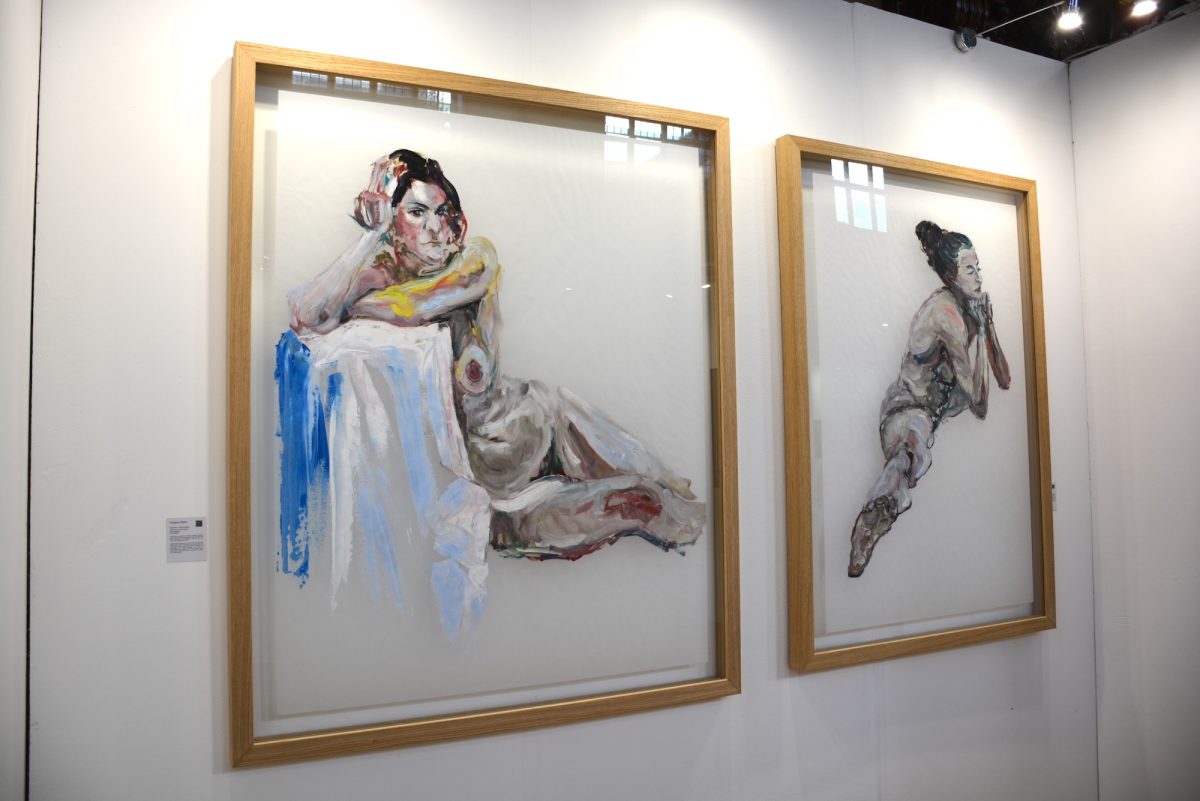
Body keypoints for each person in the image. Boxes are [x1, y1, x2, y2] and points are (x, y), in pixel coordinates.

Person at [287, 148, 705, 561]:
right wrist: (368, 236)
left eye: (442, 212)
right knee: (638, 504)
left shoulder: (474, 259)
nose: (434, 227)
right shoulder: (380, 267)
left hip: (542, 421)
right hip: (489, 466)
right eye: (416, 213)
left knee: (674, 494)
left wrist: (354, 304)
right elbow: (307, 316)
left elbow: (410, 307)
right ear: (392, 222)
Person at [847, 220, 1011, 577]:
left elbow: (1004, 379)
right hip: (906, 410)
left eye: (979, 268)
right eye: (970, 270)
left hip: (927, 416)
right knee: (910, 450)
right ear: (951, 275)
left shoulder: (971, 306)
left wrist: (988, 326)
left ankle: (879, 511)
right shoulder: (946, 314)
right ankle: (869, 525)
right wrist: (982, 334)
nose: (979, 277)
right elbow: (980, 404)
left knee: (916, 448)